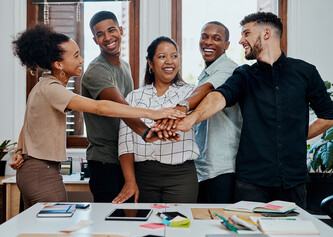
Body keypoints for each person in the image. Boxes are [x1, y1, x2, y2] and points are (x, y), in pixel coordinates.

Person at [9, 24, 184, 209]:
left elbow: (27, 124)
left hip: (33, 171)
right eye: (76, 56)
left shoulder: (43, 86)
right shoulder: (51, 88)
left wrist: (20, 150)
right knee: (55, 232)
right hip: (41, 172)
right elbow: (100, 107)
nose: (82, 60)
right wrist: (154, 113)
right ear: (59, 64)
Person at [175, 12, 333, 208]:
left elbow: (328, 117)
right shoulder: (244, 75)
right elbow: (219, 97)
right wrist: (191, 119)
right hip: (251, 182)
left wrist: (296, 136)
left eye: (246, 33)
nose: (241, 40)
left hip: (294, 180)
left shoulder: (305, 72)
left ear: (266, 34)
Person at [152, 22, 242, 203]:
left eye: (216, 38)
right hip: (203, 167)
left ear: (227, 45)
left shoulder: (227, 68)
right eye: (204, 36)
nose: (208, 42)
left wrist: (181, 107)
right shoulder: (206, 72)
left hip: (222, 168)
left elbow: (207, 90)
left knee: (217, 223)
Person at [81, 11, 165, 203]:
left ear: (121, 30)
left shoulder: (125, 66)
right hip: (105, 161)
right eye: (100, 34)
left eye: (111, 30)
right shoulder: (97, 71)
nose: (108, 38)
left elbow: (133, 106)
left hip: (125, 158)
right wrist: (146, 133)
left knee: (131, 220)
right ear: (95, 40)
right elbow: (122, 108)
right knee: (109, 223)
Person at [113, 36, 200, 204]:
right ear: (150, 64)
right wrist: (130, 181)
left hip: (181, 177)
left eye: (174, 56)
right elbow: (125, 144)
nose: (169, 61)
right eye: (162, 56)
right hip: (143, 177)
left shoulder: (192, 94)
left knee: (179, 227)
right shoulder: (134, 97)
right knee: (146, 227)